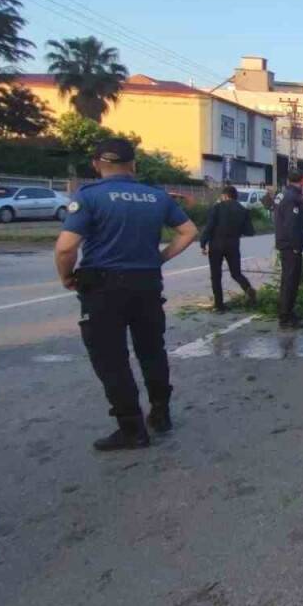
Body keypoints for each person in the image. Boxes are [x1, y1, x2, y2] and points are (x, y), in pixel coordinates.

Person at [54, 138, 199, 451]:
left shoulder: (89, 196)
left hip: (104, 289)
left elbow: (66, 247)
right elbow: (189, 232)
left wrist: (67, 276)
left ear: (96, 164)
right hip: (147, 284)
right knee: (152, 351)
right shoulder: (156, 196)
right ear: (133, 165)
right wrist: (159, 257)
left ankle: (131, 428)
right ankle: (161, 414)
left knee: (111, 358)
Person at [200, 185, 257, 312]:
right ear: (235, 197)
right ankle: (248, 289)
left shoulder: (217, 208)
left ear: (225, 196)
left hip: (216, 245)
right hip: (233, 245)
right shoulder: (243, 210)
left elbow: (209, 227)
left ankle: (219, 305)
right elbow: (250, 232)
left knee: (216, 275)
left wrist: (203, 243)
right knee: (236, 273)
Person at [274, 170, 303, 329]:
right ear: (301, 181)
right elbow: (292, 224)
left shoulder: (283, 194)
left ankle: (286, 312)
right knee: (291, 281)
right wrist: (296, 246)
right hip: (291, 246)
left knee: (287, 280)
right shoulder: (293, 198)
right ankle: (286, 317)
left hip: (284, 244)